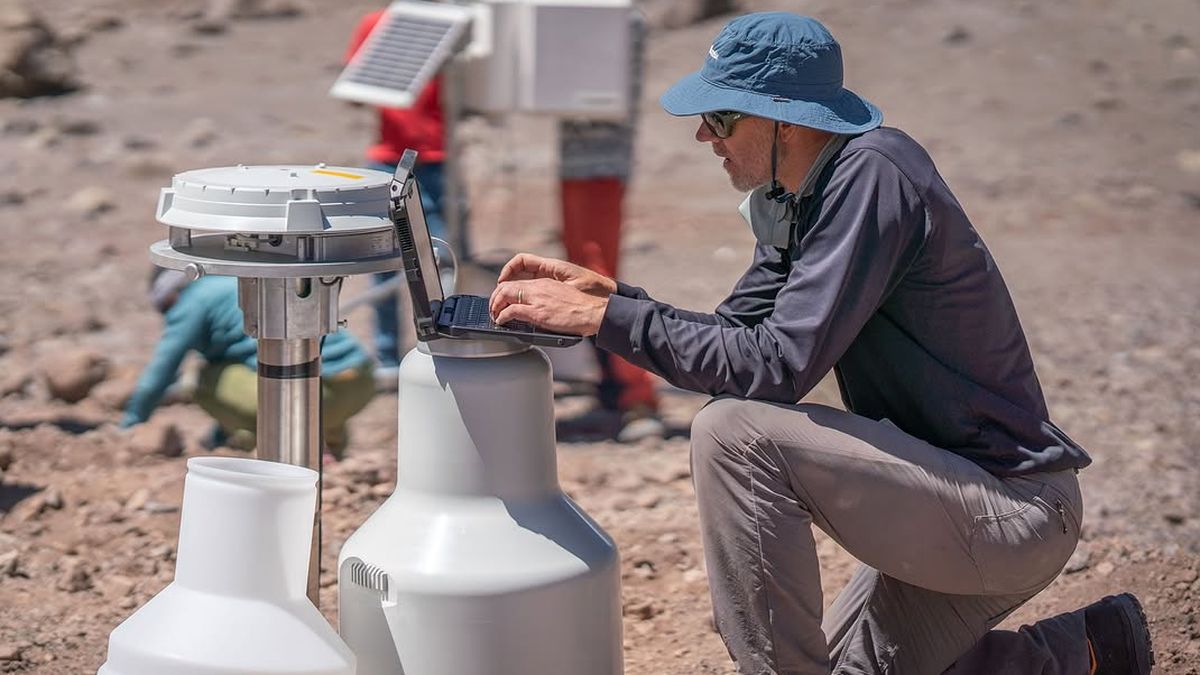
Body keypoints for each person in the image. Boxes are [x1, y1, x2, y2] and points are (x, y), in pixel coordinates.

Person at [488, 13, 1153, 675]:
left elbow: (775, 367)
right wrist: (615, 302)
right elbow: (735, 350)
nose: (703, 135)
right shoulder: (803, 199)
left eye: (721, 117)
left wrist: (605, 319)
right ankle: (1088, 651)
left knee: (732, 434)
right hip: (956, 502)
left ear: (788, 120)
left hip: (1011, 510)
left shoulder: (873, 173)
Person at [121, 270, 375, 459]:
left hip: (317, 396)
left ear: (172, 294)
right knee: (305, 374)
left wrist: (132, 424)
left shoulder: (192, 302)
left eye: (164, 308)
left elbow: (160, 372)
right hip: (361, 382)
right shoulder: (231, 283)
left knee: (201, 379)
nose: (168, 317)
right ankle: (331, 451)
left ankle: (268, 446)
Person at [556, 12, 664, 443]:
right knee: (580, 267)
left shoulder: (615, 18)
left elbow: (598, 94)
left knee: (596, 274)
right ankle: (613, 388)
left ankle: (638, 394)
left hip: (600, 163)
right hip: (580, 159)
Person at [344, 7, 449, 385]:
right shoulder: (377, 24)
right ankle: (387, 356)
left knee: (441, 260)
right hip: (389, 157)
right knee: (384, 258)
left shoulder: (453, 26)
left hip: (439, 158)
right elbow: (355, 92)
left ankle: (444, 347)